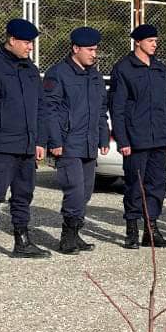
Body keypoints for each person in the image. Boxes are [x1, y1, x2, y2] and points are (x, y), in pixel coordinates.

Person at [0, 18, 49, 261]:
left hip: (27, 146)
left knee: (23, 195)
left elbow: (41, 106)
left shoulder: (30, 69)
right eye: (27, 43)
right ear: (12, 40)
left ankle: (22, 241)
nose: (30, 47)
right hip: (2, 146)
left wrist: (40, 140)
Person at [107, 21, 166, 249]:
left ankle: (151, 229)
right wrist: (123, 139)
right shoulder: (124, 68)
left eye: (156, 41)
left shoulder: (160, 69)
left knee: (157, 185)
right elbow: (117, 108)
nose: (155, 45)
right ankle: (132, 230)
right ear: (138, 42)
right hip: (136, 140)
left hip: (159, 139)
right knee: (135, 185)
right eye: (150, 41)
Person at [43, 26, 111, 254]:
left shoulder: (95, 75)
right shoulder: (59, 73)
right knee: (74, 190)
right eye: (90, 49)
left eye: (96, 50)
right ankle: (67, 237)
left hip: (89, 142)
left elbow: (101, 108)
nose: (94, 54)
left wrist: (103, 136)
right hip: (68, 142)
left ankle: (76, 232)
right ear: (75, 48)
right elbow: (50, 110)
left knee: (87, 191)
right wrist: (55, 142)